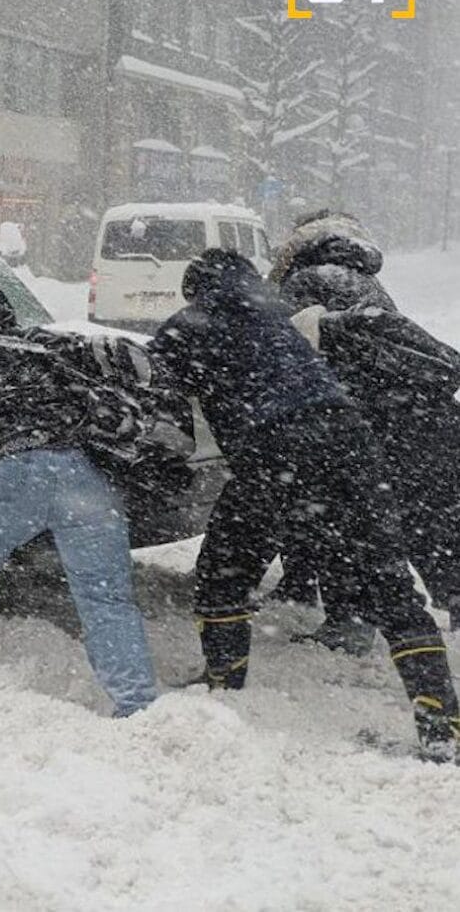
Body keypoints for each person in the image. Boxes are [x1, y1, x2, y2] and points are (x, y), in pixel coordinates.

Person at [143, 248, 460, 759]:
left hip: (274, 449)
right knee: (390, 583)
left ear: (195, 289)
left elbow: (156, 401)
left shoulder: (190, 323)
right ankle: (441, 716)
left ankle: (223, 680)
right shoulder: (278, 317)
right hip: (350, 439)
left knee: (224, 568)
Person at [0, 279, 158, 718]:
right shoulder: (45, 351)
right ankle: (136, 702)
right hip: (86, 480)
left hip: (21, 475)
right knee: (105, 597)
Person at [270, 212, 460, 638]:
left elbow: (287, 351)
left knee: (339, 515)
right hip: (427, 416)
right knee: (429, 518)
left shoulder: (304, 281)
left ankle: (348, 621)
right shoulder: (364, 281)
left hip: (369, 420)